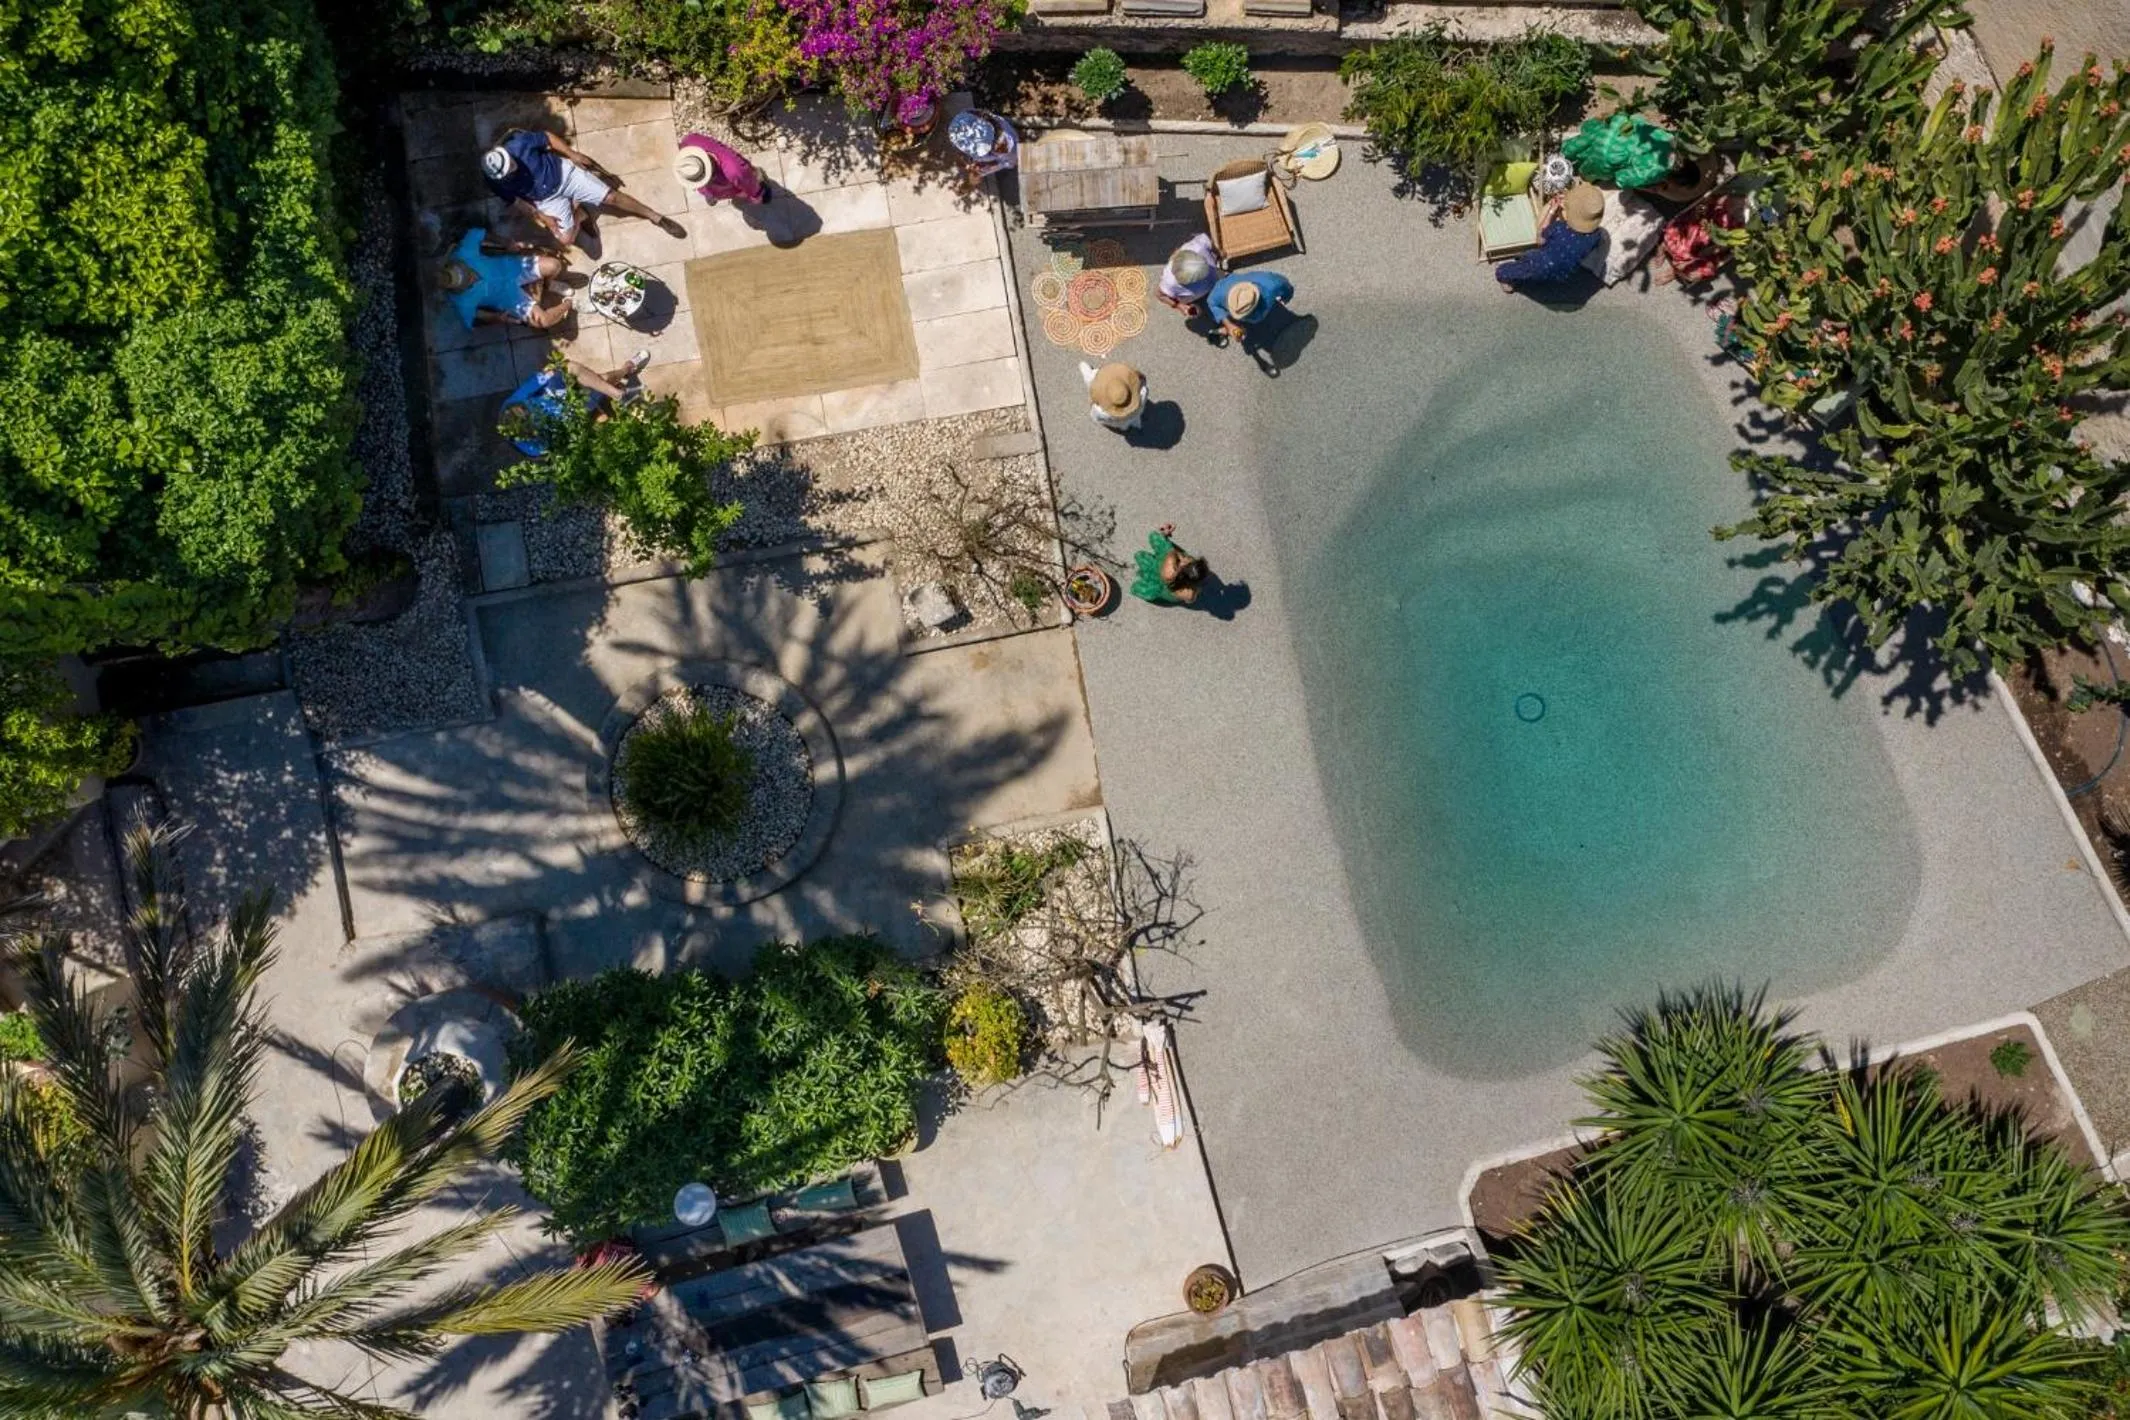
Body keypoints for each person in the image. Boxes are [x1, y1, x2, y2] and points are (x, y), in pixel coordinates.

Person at [482, 128, 685, 250]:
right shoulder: (495, 182)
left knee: (611, 198)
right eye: (508, 172)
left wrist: (572, 154)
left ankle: (655, 216)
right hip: (546, 199)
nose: (513, 169)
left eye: (511, 164)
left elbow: (547, 138)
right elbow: (518, 202)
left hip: (565, 175)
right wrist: (542, 217)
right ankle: (579, 214)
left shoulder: (518, 146)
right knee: (566, 240)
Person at [496, 350, 651, 458]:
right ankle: (626, 370)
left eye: (525, 408)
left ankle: (616, 392)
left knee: (572, 368)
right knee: (601, 380)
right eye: (529, 414)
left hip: (550, 393)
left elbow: (543, 377)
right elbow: (566, 442)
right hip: (566, 414)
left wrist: (555, 371)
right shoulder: (536, 448)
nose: (527, 408)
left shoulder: (512, 404)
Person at [438, 226, 569, 330]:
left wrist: (506, 242)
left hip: (513, 268)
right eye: (468, 281)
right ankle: (569, 303)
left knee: (555, 265)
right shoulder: (460, 301)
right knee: (544, 321)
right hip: (510, 299)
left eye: (468, 273)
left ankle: (549, 284)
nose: (472, 277)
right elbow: (472, 322)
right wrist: (495, 319)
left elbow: (475, 233)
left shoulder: (462, 254)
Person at [1494, 182, 1605, 294]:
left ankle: (1507, 279)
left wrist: (1551, 211)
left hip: (1541, 265)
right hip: (1565, 273)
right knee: (1548, 264)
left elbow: (1540, 239)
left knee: (1508, 270)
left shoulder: (1559, 228)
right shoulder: (1596, 235)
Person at [675, 134, 771, 206]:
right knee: (743, 184)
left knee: (744, 180)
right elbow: (749, 183)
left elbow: (748, 182)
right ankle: (710, 194)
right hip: (728, 184)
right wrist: (755, 195)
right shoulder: (690, 140)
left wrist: (756, 194)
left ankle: (710, 194)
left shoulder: (735, 171)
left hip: (729, 181)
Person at [1207, 269, 1294, 344]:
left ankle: (1225, 329)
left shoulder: (1270, 284)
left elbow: (1285, 284)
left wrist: (1286, 297)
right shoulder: (1270, 283)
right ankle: (1228, 328)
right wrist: (1230, 326)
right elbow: (1286, 285)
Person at [1130, 524, 1209, 606]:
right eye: (1191, 562)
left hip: (1159, 582)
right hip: (1169, 586)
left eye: (1180, 563)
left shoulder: (1170, 569)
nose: (1185, 559)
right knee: (1149, 546)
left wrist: (1164, 536)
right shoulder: (1189, 593)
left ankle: (1138, 588)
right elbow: (1190, 599)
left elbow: (1171, 553)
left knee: (1140, 556)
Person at [947, 110, 1019, 191]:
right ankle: (972, 173)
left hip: (1005, 154)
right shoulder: (973, 117)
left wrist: (989, 165)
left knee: (978, 171)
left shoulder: (1005, 147)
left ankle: (972, 182)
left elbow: (1009, 160)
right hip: (995, 141)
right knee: (973, 165)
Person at [1156, 235, 1222, 319]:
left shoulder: (1197, 247)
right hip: (1214, 280)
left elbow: (1209, 242)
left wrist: (1219, 253)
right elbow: (1160, 295)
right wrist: (1179, 305)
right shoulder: (1170, 282)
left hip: (1214, 281)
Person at [1080, 361, 1146, 432]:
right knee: (1128, 422)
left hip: (1113, 420)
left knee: (1091, 378)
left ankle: (1088, 370)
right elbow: (1142, 381)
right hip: (1132, 416)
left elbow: (1095, 412)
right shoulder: (1142, 393)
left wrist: (1092, 400)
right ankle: (1129, 426)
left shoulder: (1101, 411)